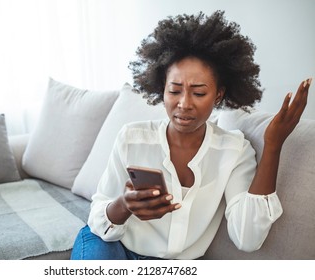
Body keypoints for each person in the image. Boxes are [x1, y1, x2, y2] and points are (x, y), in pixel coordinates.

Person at [70, 10, 311, 260]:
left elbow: (248, 238)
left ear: (218, 95)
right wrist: (124, 205)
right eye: (174, 91)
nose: (184, 104)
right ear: (162, 89)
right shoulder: (132, 137)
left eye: (198, 93)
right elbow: (98, 217)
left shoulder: (234, 151)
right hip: (111, 245)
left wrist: (273, 145)